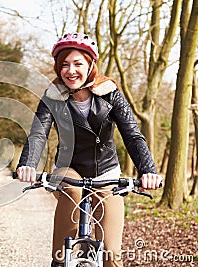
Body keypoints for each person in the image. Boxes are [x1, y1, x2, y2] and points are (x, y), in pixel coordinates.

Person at [16, 32, 162, 267]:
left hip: (105, 172)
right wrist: (28, 165)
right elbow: (38, 133)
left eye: (77, 64)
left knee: (112, 255)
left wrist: (148, 170)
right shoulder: (52, 96)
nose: (70, 70)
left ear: (91, 65)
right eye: (64, 64)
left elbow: (132, 135)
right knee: (72, 194)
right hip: (69, 168)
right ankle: (60, 260)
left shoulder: (110, 93)